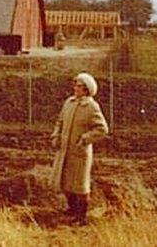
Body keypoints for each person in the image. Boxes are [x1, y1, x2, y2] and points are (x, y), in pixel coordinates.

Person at [50, 72, 109, 225]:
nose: (75, 88)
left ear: (87, 90)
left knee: (80, 186)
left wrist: (85, 138)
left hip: (79, 153)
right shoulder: (69, 103)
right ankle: (72, 209)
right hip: (64, 151)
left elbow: (102, 129)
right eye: (75, 85)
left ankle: (81, 217)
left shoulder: (91, 106)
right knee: (65, 182)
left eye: (79, 86)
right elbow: (60, 121)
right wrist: (55, 136)